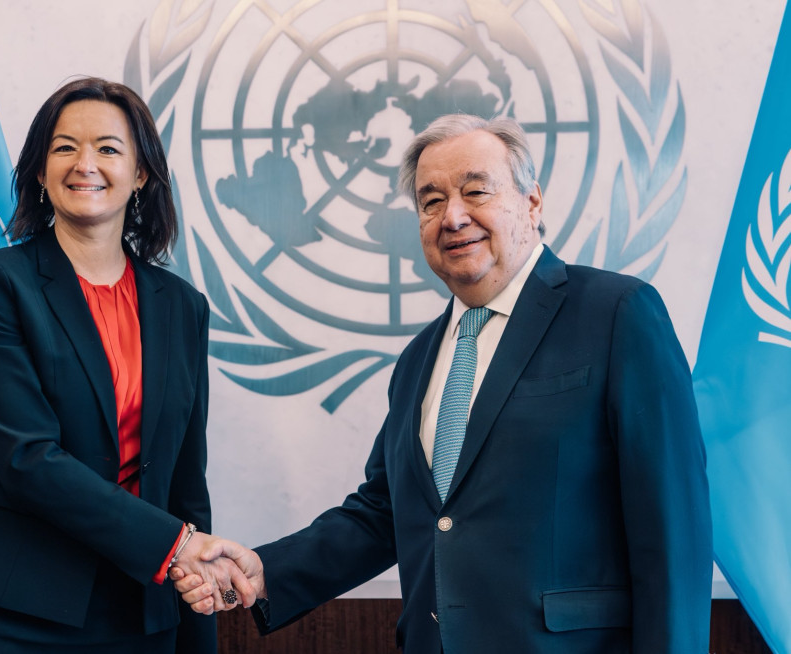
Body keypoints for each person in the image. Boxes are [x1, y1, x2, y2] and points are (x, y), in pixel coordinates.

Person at [173, 114, 713, 653]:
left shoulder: (616, 314)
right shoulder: (418, 360)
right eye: (430, 202)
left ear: (532, 203)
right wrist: (265, 572)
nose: (453, 217)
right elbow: (383, 514)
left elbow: (672, 530)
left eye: (476, 190)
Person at [0, 77, 253, 654]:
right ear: (41, 171)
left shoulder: (182, 306)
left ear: (141, 173)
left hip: (139, 603)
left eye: (108, 147)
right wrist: (175, 545)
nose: (85, 164)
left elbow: (183, 477)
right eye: (64, 146)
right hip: (10, 603)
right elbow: (26, 457)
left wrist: (196, 624)